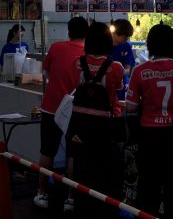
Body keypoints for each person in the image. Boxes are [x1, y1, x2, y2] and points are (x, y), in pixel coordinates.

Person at [126, 23, 173, 218]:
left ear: (149, 45)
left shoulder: (140, 71)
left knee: (149, 185)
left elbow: (131, 107)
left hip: (149, 137)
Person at [67, 21, 125, 218]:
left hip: (78, 123)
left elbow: (74, 85)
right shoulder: (115, 67)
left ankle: (78, 202)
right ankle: (101, 208)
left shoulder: (77, 63)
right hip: (102, 125)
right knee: (102, 167)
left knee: (80, 162)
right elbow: (116, 91)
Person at [33, 16, 88, 212]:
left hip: (51, 107)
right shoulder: (88, 54)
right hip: (76, 111)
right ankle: (70, 199)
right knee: (73, 154)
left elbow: (46, 74)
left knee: (47, 151)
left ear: (68, 31)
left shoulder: (56, 48)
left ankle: (42, 193)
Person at [110, 19, 135, 100]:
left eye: (128, 36)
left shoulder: (126, 47)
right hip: (106, 84)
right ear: (116, 33)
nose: (127, 38)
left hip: (121, 85)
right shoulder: (104, 45)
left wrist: (118, 72)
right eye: (125, 36)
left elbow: (128, 70)